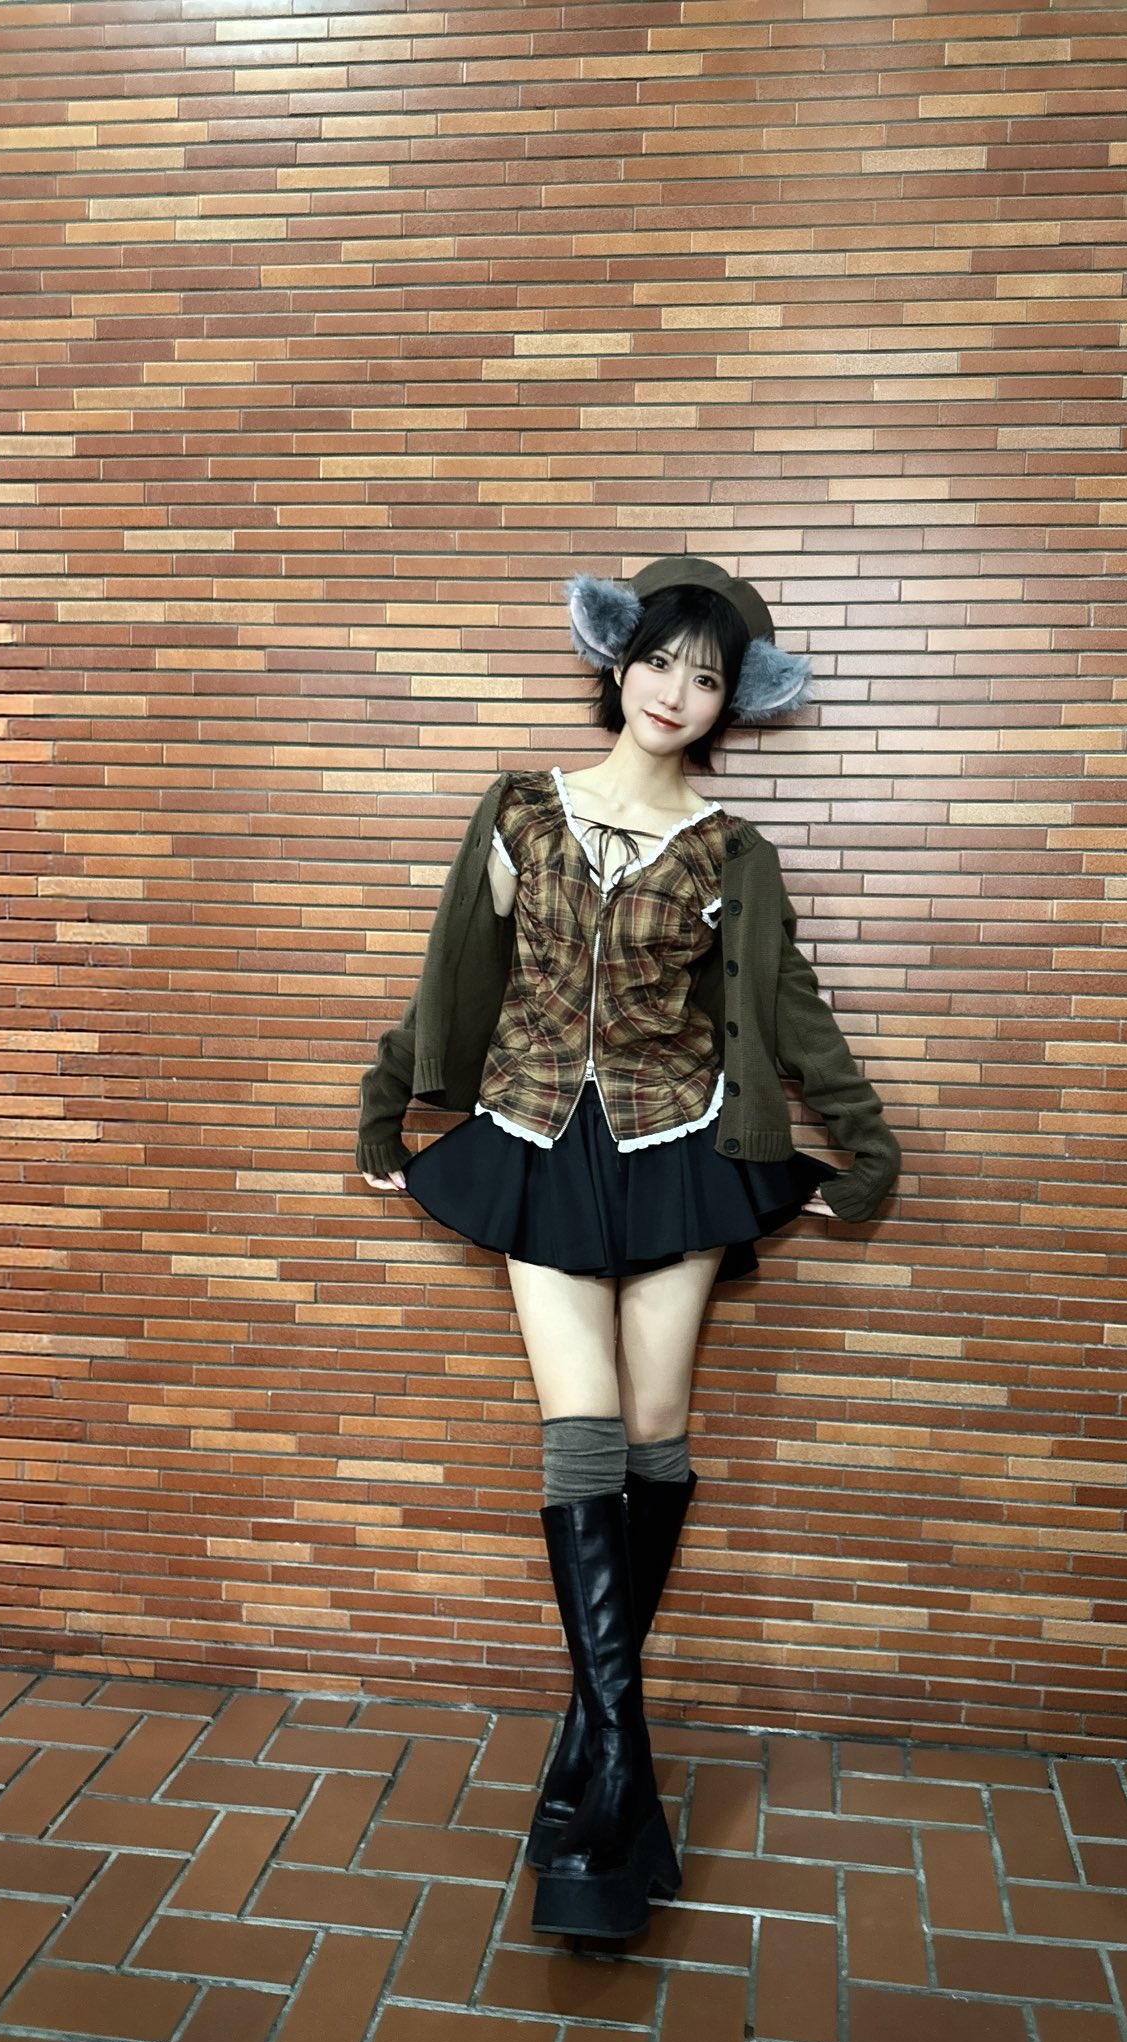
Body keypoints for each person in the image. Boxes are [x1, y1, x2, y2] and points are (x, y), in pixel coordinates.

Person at [356, 555, 900, 1941]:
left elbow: (790, 1008)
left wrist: (866, 1147)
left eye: (707, 677)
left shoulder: (732, 852)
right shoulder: (522, 811)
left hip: (679, 1153)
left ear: (731, 704)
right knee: (583, 1430)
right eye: (659, 661)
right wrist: (386, 1107)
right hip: (537, 1142)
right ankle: (618, 1785)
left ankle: (589, 1756)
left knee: (657, 1434)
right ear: (618, 665)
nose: (676, 691)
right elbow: (452, 979)